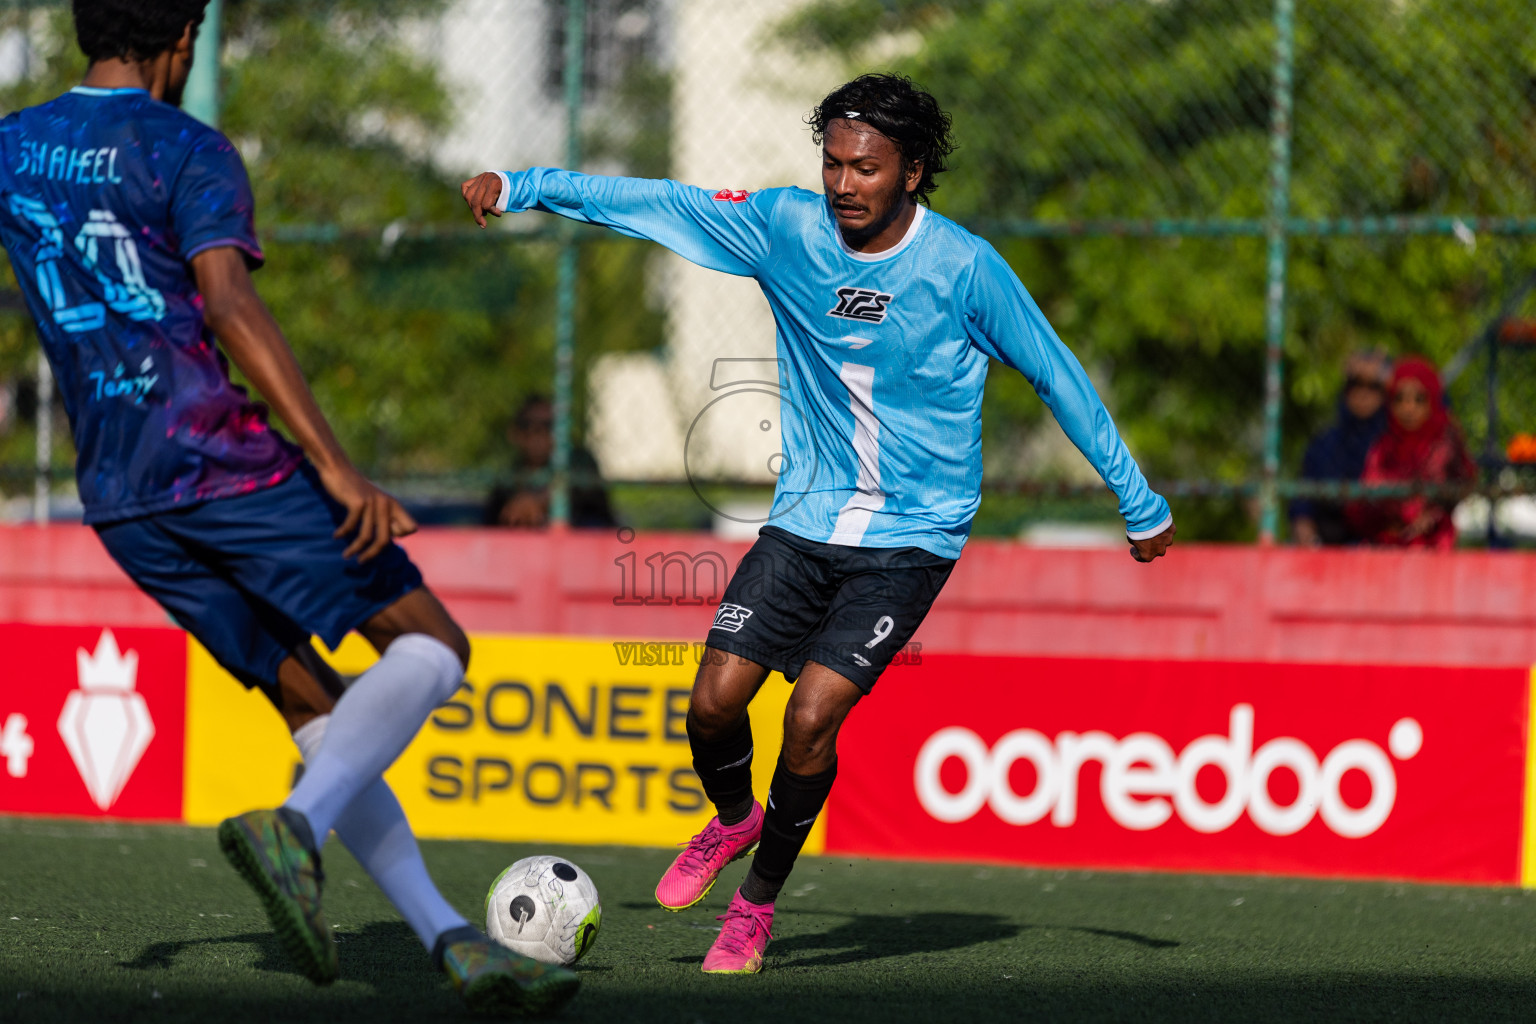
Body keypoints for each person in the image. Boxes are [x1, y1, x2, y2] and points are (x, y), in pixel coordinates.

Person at [463, 72, 1176, 975]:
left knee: (809, 717)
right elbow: (656, 203)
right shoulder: (785, 227)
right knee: (713, 703)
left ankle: (756, 907)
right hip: (804, 522)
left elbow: (1058, 375)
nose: (844, 184)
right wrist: (525, 187)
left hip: (912, 539)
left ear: (913, 173)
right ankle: (733, 820)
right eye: (833, 163)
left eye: (867, 168)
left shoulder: (963, 269)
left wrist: (1136, 495)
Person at [0, 2, 577, 1015]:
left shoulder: (12, 145)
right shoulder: (186, 147)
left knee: (316, 704)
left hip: (118, 495)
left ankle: (449, 939)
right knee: (434, 647)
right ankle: (294, 830)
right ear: (181, 35)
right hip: (220, 462)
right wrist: (341, 468)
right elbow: (226, 302)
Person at [1347, 356, 1475, 549]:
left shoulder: (1445, 443)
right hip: (1387, 544)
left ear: (1431, 400)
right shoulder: (1383, 447)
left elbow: (1457, 487)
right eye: (1400, 399)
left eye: (1419, 399)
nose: (1408, 408)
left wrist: (1427, 516)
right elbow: (1367, 496)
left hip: (1433, 546)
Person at [1289, 352, 1391, 546]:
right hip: (1330, 542)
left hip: (1382, 542)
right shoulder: (1325, 442)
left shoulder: (1395, 441)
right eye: (1355, 384)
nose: (1363, 394)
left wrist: (1390, 376)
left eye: (1373, 386)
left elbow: (1437, 411)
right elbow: (1303, 496)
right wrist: (1305, 529)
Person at [483, 394, 615, 528]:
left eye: (548, 425)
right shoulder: (509, 476)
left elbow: (584, 492)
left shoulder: (579, 460)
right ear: (515, 433)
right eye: (527, 424)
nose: (538, 432)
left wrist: (539, 501)